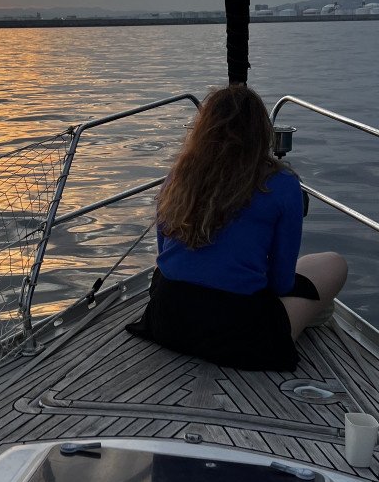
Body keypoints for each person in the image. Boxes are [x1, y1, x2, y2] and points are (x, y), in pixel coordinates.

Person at [126, 84, 347, 371]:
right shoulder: (282, 185)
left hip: (167, 318)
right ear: (262, 134)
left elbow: (163, 257)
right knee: (333, 264)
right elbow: (281, 284)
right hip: (239, 334)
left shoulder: (178, 177)